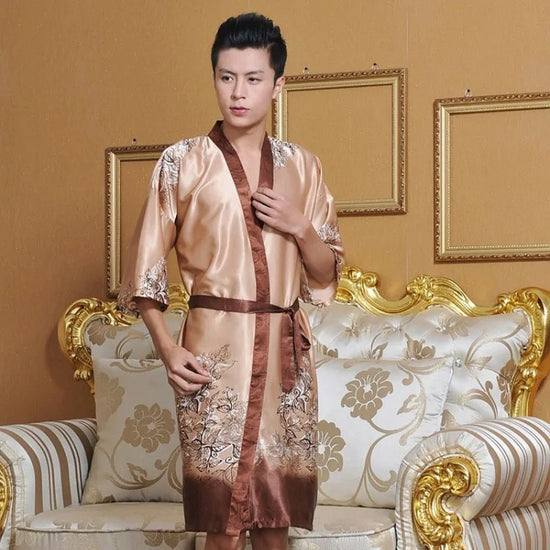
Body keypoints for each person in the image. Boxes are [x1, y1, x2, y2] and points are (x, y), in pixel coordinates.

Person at [118, 12, 344, 550]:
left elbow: (326, 272)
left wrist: (299, 225)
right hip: (214, 362)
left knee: (275, 524)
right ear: (214, 78)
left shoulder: (303, 167)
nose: (238, 93)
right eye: (226, 77)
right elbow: (143, 270)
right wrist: (168, 350)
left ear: (277, 84)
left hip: (286, 364)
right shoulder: (182, 162)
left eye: (253, 78)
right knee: (223, 523)